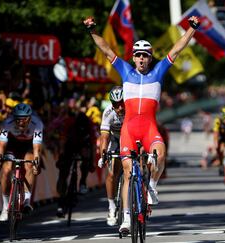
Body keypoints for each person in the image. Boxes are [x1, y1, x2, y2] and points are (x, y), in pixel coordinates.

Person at [83, 15, 201, 233]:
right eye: (137, 55)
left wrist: (192, 28)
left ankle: (153, 186)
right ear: (133, 58)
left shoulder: (158, 72)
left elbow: (177, 49)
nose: (141, 59)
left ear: (150, 58)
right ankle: (126, 220)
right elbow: (106, 49)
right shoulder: (125, 71)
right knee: (127, 173)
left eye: (145, 56)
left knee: (161, 154)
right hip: (129, 129)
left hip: (148, 128)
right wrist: (92, 31)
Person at [0, 103, 43, 221]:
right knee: (6, 169)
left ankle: (26, 200)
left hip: (28, 146)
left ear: (30, 118)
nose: (21, 122)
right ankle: (5, 207)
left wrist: (37, 164)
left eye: (24, 119)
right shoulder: (7, 123)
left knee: (30, 164)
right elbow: (1, 146)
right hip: (12, 145)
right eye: (18, 119)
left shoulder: (37, 124)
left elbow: (37, 149)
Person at [55, 109, 96, 217]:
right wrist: (61, 156)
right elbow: (62, 141)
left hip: (83, 144)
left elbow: (92, 145)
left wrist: (92, 162)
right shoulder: (69, 122)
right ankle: (61, 198)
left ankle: (82, 182)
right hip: (70, 144)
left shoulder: (90, 125)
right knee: (64, 171)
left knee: (86, 156)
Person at [97, 86, 125, 226]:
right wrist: (103, 154)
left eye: (121, 103)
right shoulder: (108, 112)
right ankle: (111, 206)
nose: (119, 107)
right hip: (114, 139)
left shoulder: (132, 108)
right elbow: (104, 136)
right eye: (116, 104)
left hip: (129, 137)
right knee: (112, 173)